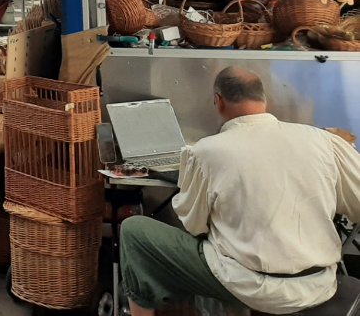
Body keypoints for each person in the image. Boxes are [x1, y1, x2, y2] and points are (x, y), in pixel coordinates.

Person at [120, 67, 360, 316]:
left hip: (249, 286)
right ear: (264, 100)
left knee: (134, 231)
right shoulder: (322, 141)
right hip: (318, 284)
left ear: (218, 100)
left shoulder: (206, 152)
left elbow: (194, 225)